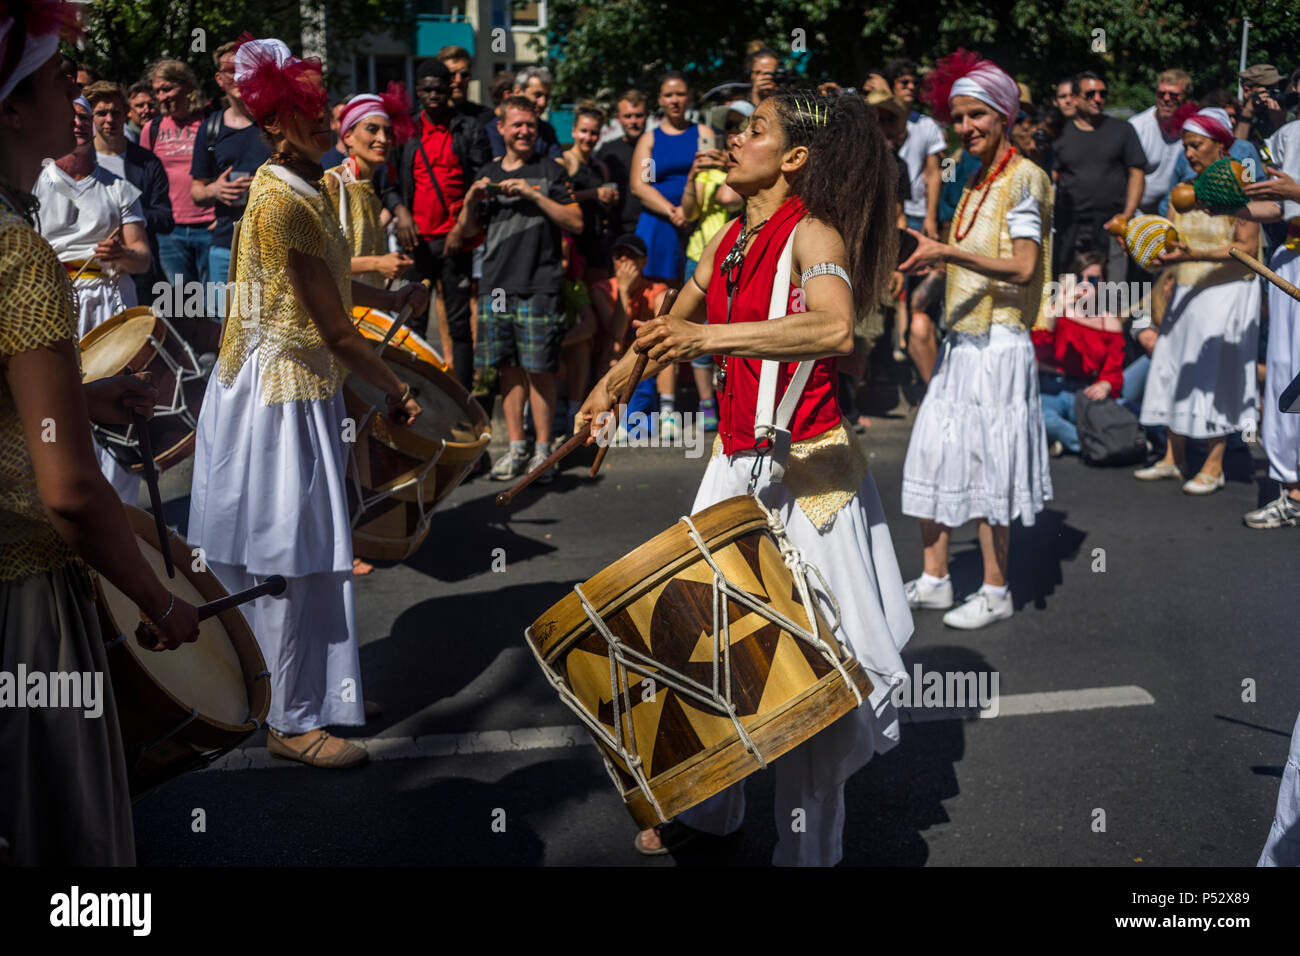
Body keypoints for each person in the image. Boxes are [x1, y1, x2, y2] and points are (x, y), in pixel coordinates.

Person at [576, 89, 910, 866]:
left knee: (810, 684)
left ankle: (808, 853)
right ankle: (716, 812)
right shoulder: (727, 235)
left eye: (754, 131)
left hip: (809, 482)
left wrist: (709, 336)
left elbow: (832, 324)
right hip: (735, 469)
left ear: (794, 158)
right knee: (713, 650)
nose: (734, 141)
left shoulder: (813, 232)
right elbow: (675, 322)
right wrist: (616, 382)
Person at [187, 37, 429, 769]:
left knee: (317, 553)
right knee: (287, 555)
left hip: (300, 387)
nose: (322, 120)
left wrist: (386, 295)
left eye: (321, 106)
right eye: (306, 112)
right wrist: (398, 388)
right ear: (273, 125)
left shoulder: (316, 183)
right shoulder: (281, 199)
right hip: (274, 396)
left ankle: (320, 690)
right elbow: (332, 328)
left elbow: (330, 289)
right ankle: (288, 720)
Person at [0, 6, 201, 865]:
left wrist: (76, 396)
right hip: (23, 596)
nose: (76, 91)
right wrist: (159, 602)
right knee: (63, 830)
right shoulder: (19, 255)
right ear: (10, 109)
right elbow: (73, 493)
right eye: (56, 78)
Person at [897, 50, 1055, 630]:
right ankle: (936, 579)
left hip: (1001, 344)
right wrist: (925, 265)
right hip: (962, 344)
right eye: (958, 118)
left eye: (976, 116)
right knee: (934, 454)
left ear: (1004, 116)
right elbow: (969, 258)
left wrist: (945, 251)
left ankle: (995, 588)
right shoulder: (973, 181)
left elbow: (1020, 266)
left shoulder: (1026, 178)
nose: (965, 128)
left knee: (991, 468)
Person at [454, 95, 581, 483]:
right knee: (508, 370)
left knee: (539, 370)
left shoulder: (551, 170)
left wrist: (533, 194)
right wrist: (471, 201)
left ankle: (544, 453)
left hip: (539, 283)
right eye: (517, 124)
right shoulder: (487, 172)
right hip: (496, 287)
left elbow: (576, 221)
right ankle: (517, 447)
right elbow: (463, 235)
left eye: (530, 123)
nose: (524, 130)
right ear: (503, 128)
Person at [1135, 108, 1261, 495]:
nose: (1189, 153)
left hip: (1227, 293)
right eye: (1186, 145)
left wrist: (1189, 257)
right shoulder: (1183, 190)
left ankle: (1214, 463)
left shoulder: (1242, 186)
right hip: (1186, 290)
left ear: (1221, 145)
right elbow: (1173, 241)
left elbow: (1248, 249)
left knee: (1214, 376)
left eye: (1197, 145)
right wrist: (1155, 254)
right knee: (1173, 370)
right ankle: (1174, 458)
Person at [383, 58, 490, 388]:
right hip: (416, 244)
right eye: (427, 89)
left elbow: (484, 183)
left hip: (456, 242)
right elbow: (386, 184)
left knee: (459, 326)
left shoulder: (469, 129)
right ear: (418, 90)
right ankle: (416, 391)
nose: (434, 95)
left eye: (440, 90)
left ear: (450, 91)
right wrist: (400, 212)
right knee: (413, 320)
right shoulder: (404, 132)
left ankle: (461, 396)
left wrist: (463, 226)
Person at [1238, 125, 1300, 527]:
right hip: (1291, 260)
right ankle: (1293, 490)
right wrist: (1228, 206)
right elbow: (1281, 209)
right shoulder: (1291, 134)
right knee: (1285, 377)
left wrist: (1296, 194)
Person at [191, 40, 273, 303]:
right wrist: (215, 189)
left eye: (247, 68)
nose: (240, 76)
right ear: (219, 79)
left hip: (273, 246)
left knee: (270, 328)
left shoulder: (274, 124)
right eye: (231, 70)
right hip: (226, 245)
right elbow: (196, 190)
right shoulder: (210, 128)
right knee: (224, 330)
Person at [85, 80, 174, 308]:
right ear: (91, 117)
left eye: (115, 112)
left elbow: (165, 218)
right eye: (101, 113)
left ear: (126, 114)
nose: (109, 120)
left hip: (142, 271)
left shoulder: (147, 162)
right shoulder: (81, 161)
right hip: (93, 272)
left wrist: (129, 219)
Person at [682, 109, 744, 432]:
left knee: (728, 336)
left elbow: (727, 198)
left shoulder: (743, 171)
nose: (732, 135)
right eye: (728, 129)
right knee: (696, 332)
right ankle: (707, 403)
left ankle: (730, 404)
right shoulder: (707, 169)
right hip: (699, 257)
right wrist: (694, 174)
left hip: (733, 258)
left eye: (740, 128)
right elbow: (689, 212)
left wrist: (725, 166)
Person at [1052, 71, 1146, 280]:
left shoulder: (1123, 130)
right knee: (1071, 289)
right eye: (1090, 94)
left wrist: (1126, 215)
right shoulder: (1060, 135)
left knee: (1114, 290)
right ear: (1075, 99)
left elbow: (1137, 173)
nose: (1098, 99)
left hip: (1112, 223)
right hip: (1072, 225)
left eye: (1102, 94)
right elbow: (1051, 178)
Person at [1032, 251, 1126, 456]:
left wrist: (1106, 383)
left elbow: (1113, 370)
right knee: (1038, 419)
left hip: (1084, 392)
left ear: (1103, 284)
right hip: (1052, 387)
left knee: (1114, 413)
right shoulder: (1057, 310)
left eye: (1092, 279)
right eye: (1079, 279)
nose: (1085, 285)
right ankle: (1103, 444)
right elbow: (1038, 346)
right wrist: (1057, 310)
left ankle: (1070, 443)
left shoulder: (1110, 322)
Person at [325, 85, 415, 288]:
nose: (383, 139)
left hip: (366, 307)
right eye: (372, 129)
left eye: (388, 132)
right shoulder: (333, 183)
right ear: (347, 136)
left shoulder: (368, 189)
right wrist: (377, 264)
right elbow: (321, 264)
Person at [142, 59, 214, 291]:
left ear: (187, 86)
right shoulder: (152, 129)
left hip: (210, 228)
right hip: (170, 233)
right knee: (183, 305)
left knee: (216, 306)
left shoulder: (211, 122)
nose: (162, 97)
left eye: (167, 89)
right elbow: (144, 179)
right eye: (157, 91)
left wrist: (222, 219)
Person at [560, 104, 616, 280]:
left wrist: (609, 199)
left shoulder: (601, 167)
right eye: (583, 131)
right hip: (573, 239)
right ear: (573, 132)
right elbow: (558, 199)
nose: (588, 138)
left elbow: (605, 209)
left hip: (596, 239)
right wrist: (593, 193)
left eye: (594, 133)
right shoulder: (565, 161)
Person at [1129, 69, 1192, 217]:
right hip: (1137, 211)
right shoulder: (1137, 127)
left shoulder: (1193, 129)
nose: (1166, 99)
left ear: (1186, 99)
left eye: (1174, 95)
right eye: (1161, 94)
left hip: (1177, 210)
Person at [595, 89, 648, 249]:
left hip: (650, 226)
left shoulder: (657, 147)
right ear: (618, 118)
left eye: (639, 115)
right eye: (628, 116)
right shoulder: (607, 151)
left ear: (647, 116)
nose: (633, 121)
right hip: (616, 230)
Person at [484, 65, 563, 160]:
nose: (543, 103)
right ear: (517, 92)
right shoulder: (493, 130)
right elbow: (501, 168)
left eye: (547, 97)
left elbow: (559, 165)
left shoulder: (546, 130)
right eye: (537, 95)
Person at [439, 44, 494, 125]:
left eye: (464, 74)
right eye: (452, 74)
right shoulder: (428, 118)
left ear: (470, 76)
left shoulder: (486, 117)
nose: (458, 80)